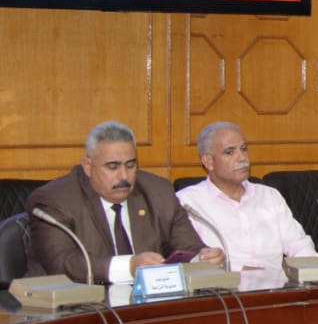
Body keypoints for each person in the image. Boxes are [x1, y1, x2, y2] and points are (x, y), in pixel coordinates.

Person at [25, 120, 224, 283]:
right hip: (71, 307)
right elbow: (63, 263)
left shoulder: (159, 192)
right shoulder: (54, 200)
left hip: (145, 306)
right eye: (112, 167)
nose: (124, 176)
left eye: (130, 165)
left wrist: (202, 257)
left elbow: (187, 246)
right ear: (88, 166)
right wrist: (129, 267)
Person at [177, 122, 318, 290]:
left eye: (244, 149)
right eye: (230, 152)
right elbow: (187, 259)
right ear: (209, 162)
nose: (242, 158)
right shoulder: (188, 202)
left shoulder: (269, 196)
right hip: (224, 295)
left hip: (277, 292)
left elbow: (298, 244)